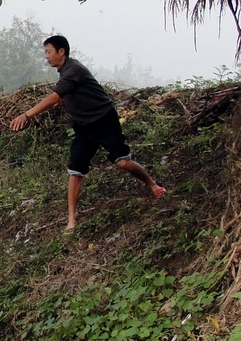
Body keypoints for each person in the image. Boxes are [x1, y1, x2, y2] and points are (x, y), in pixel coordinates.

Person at [9, 35, 165, 232]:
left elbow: (55, 95)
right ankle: (72, 220)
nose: (46, 57)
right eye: (45, 53)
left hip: (104, 120)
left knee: (122, 162)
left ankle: (152, 185)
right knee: (75, 171)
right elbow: (69, 95)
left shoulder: (74, 69)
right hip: (83, 127)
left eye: (48, 52)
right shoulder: (65, 71)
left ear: (61, 51)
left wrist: (26, 115)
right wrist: (66, 102)